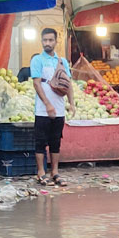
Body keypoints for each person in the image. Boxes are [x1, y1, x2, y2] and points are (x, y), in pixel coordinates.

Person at [30, 27, 74, 186]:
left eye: (50, 40)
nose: (47, 43)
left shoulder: (62, 62)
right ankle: (41, 172)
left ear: (56, 41)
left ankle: (55, 172)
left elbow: (68, 84)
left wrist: (72, 103)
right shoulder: (37, 60)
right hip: (42, 110)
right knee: (40, 142)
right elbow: (37, 84)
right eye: (45, 40)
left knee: (56, 142)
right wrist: (47, 104)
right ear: (41, 41)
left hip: (59, 109)